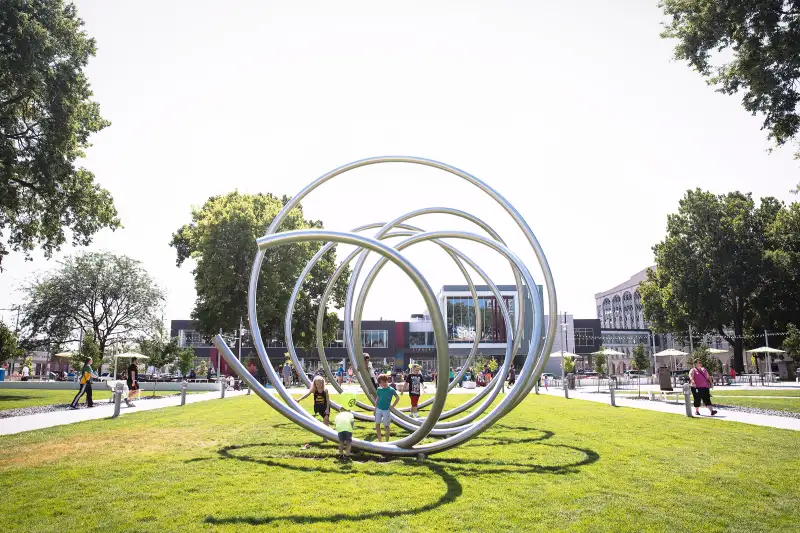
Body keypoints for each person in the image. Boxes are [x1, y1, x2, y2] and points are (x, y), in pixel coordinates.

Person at [374, 374, 399, 442]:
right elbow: (377, 398)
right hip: (379, 409)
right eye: (380, 382)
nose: (381, 384)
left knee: (386, 425)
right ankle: (380, 440)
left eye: (382, 382)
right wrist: (375, 408)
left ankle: (387, 441)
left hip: (386, 410)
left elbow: (397, 398)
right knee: (377, 424)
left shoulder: (391, 390)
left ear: (386, 381)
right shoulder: (379, 389)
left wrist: (392, 406)